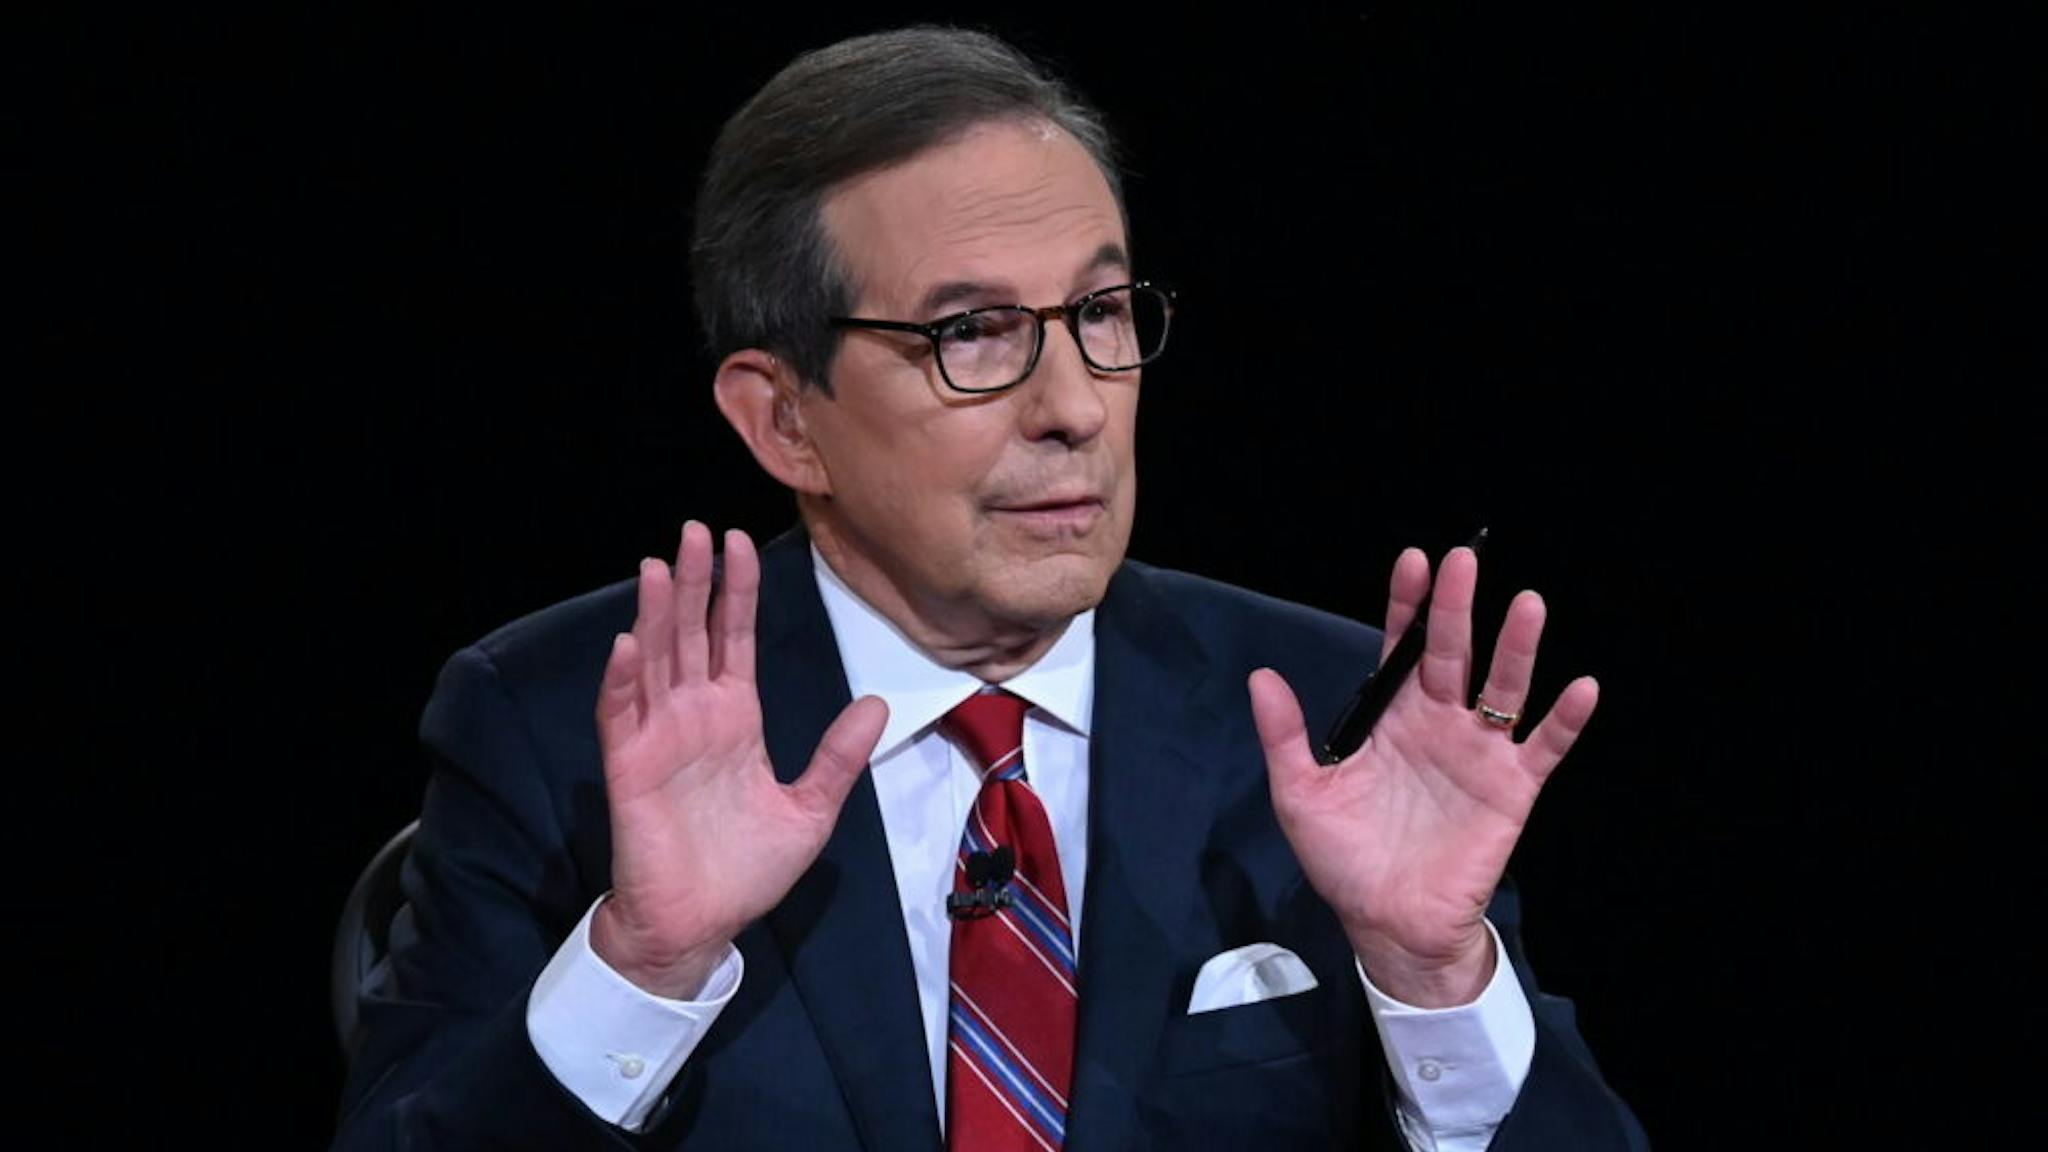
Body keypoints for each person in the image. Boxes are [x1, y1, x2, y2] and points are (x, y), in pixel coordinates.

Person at [333, 25, 1647, 1151]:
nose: (1075, 407)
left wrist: (1435, 978)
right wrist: (641, 964)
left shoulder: (1321, 717)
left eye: (1104, 314)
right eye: (971, 335)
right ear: (784, 422)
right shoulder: (558, 726)